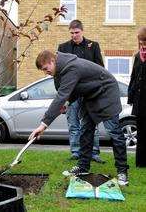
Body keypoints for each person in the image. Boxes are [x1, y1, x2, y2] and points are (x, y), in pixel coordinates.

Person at [29, 50, 129, 186]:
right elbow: (73, 90)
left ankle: (122, 171)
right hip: (91, 95)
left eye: (46, 68)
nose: (45, 72)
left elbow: (61, 96)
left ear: (53, 61)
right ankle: (83, 167)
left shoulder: (71, 68)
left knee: (114, 132)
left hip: (106, 92)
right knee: (86, 131)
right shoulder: (59, 72)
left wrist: (43, 124)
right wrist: (67, 103)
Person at [58, 19, 105, 163]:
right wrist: (62, 95)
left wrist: (99, 89)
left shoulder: (93, 46)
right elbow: (58, 72)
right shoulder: (63, 47)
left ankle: (94, 153)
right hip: (72, 93)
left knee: (91, 124)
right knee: (73, 123)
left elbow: (100, 69)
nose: (74, 35)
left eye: (76, 32)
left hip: (90, 93)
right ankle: (76, 152)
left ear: (82, 31)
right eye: (71, 33)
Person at [128, 26, 146, 167]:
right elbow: (133, 77)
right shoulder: (137, 56)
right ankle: (140, 162)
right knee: (141, 131)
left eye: (145, 41)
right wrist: (131, 97)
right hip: (139, 102)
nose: (142, 44)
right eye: (140, 41)